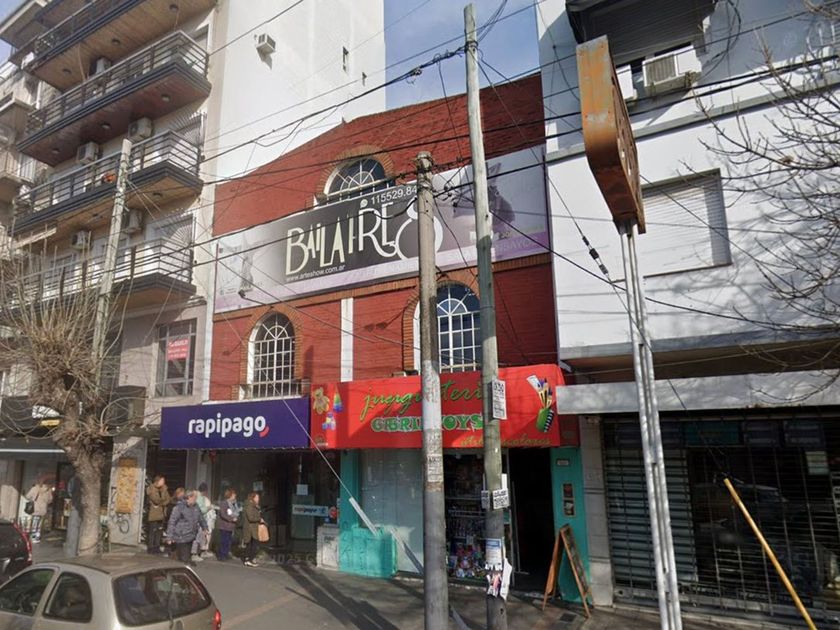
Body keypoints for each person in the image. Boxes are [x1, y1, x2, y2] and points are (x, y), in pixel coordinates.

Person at [165, 489, 208, 565]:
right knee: (183, 558)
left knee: (187, 556)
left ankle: (185, 564)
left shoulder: (196, 506)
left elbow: (201, 518)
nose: (196, 499)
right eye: (195, 497)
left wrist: (205, 528)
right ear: (189, 497)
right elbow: (172, 521)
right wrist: (169, 537)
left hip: (191, 535)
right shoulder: (179, 507)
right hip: (181, 536)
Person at [145, 475, 170, 554]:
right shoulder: (151, 489)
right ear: (157, 481)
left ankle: (157, 546)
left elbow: (168, 499)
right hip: (154, 513)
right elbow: (155, 500)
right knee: (153, 530)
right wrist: (162, 502)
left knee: (159, 530)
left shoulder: (164, 489)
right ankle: (151, 547)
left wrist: (161, 503)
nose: (163, 482)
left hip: (161, 512)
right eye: (162, 481)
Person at [191, 482, 215, 562]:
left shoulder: (198, 496)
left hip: (198, 520)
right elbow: (201, 510)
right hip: (198, 520)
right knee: (197, 538)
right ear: (204, 491)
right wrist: (209, 508)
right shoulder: (199, 497)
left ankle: (197, 553)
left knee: (200, 538)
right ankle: (194, 554)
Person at [25, 478, 53, 543]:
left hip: (35, 509)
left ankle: (33, 538)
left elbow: (27, 496)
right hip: (43, 510)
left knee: (34, 523)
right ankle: (37, 538)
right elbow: (50, 500)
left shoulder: (35, 488)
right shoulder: (48, 490)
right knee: (39, 525)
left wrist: (32, 499)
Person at [216, 488, 240, 561]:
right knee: (224, 541)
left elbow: (236, 512)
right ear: (230, 495)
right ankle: (222, 555)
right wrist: (232, 519)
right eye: (234, 494)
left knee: (229, 541)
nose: (235, 495)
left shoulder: (234, 503)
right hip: (224, 526)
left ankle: (226, 554)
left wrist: (236, 518)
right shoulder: (224, 503)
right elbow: (223, 514)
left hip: (231, 526)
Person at [241, 491, 262, 567]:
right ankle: (250, 559)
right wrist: (259, 519)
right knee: (253, 544)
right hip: (250, 529)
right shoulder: (249, 506)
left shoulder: (254, 505)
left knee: (250, 544)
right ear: (253, 498)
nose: (258, 499)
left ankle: (247, 559)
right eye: (257, 497)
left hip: (252, 528)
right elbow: (251, 517)